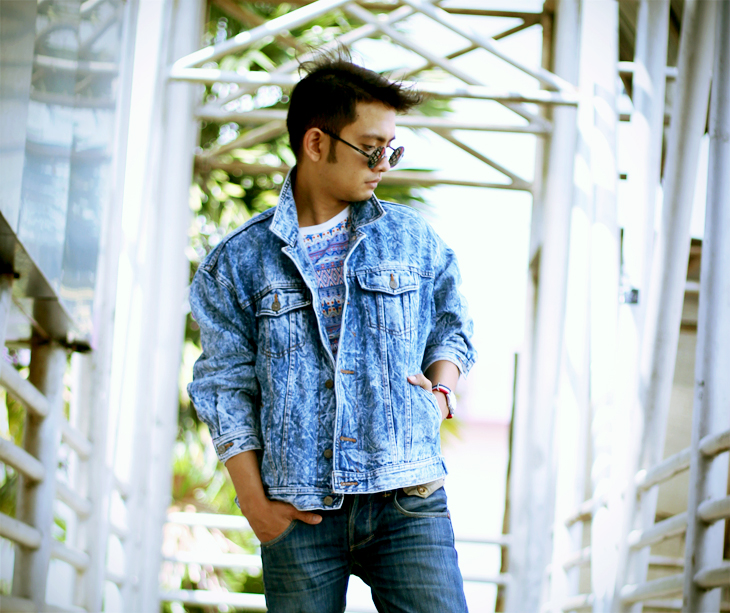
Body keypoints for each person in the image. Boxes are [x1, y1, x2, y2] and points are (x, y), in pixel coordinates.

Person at [187, 49, 476, 613]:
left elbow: (453, 325)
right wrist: (256, 506)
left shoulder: (412, 238)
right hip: (300, 513)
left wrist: (442, 392)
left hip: (408, 498)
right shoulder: (236, 263)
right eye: (371, 148)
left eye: (392, 148)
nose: (384, 163)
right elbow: (224, 389)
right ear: (316, 143)